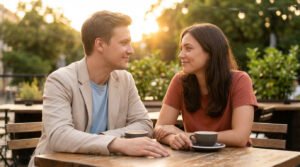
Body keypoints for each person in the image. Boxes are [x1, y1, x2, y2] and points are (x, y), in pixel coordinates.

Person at [29, 10, 169, 167]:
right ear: (100, 45)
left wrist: (104, 138)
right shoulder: (60, 80)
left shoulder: (125, 79)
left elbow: (143, 124)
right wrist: (116, 143)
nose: (131, 50)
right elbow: (59, 136)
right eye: (124, 43)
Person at [154, 23, 257, 150]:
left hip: (235, 159)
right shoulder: (180, 81)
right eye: (181, 48)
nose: (181, 55)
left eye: (188, 48)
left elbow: (240, 137)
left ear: (211, 51)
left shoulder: (240, 80)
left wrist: (185, 135)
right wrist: (172, 139)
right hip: (194, 159)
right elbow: (160, 128)